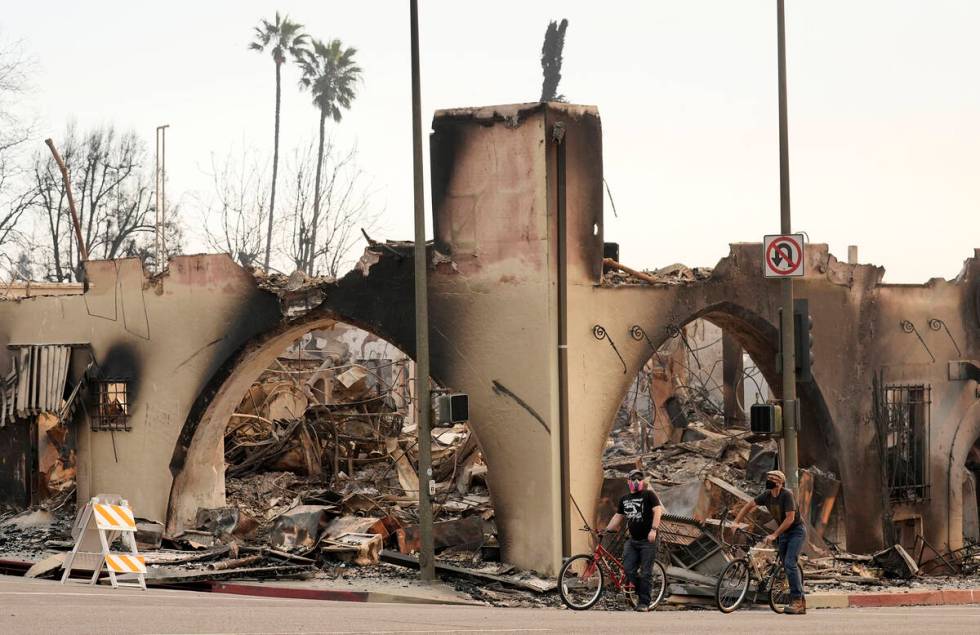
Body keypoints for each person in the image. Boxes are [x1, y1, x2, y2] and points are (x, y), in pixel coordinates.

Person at [732, 469, 807, 615]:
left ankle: (797, 601)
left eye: (772, 478)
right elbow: (749, 505)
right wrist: (736, 522)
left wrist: (774, 534)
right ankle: (801, 602)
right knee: (785, 565)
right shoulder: (766, 495)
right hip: (783, 532)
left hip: (796, 531)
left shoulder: (787, 495)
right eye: (768, 477)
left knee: (790, 564)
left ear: (780, 483)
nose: (769, 480)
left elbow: (790, 519)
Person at [604, 468, 664, 612]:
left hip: (647, 540)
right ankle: (640, 589)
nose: (636, 481)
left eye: (639, 479)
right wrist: (606, 530)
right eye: (633, 479)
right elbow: (617, 516)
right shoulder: (625, 499)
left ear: (643, 481)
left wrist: (654, 530)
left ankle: (644, 603)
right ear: (628, 481)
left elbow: (658, 511)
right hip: (632, 540)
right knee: (628, 569)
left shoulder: (648, 495)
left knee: (646, 572)